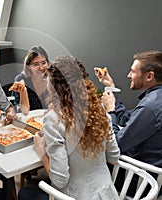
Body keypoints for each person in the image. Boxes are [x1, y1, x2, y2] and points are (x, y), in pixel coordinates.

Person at [18, 56, 120, 200]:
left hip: (75, 196)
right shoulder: (100, 109)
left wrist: (42, 152)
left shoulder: (54, 119)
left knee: (24, 193)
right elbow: (114, 157)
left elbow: (60, 180)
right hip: (107, 194)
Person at [94, 50, 162, 196]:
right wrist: (110, 86)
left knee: (89, 160)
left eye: (133, 72)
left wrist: (111, 110)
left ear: (149, 76)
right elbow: (126, 119)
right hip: (151, 168)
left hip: (141, 179)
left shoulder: (150, 106)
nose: (128, 75)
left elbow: (117, 144)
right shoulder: (155, 98)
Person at [10, 46, 49, 115]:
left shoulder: (52, 79)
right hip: (26, 119)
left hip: (46, 120)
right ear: (28, 67)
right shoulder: (20, 79)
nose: (41, 67)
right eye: (36, 64)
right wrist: (23, 91)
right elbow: (24, 111)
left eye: (43, 63)